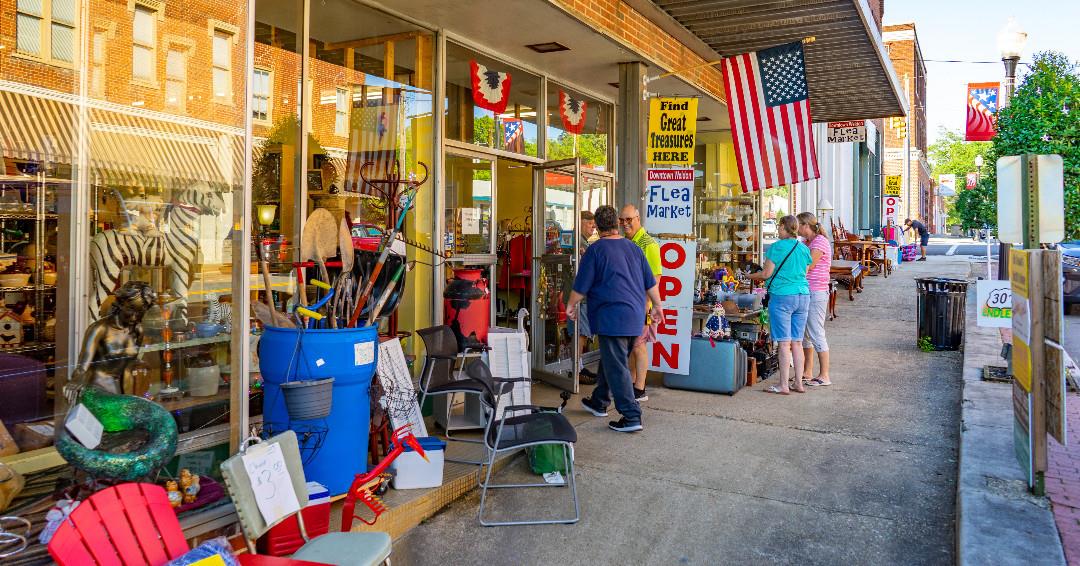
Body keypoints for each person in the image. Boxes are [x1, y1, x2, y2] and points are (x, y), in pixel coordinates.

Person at [568, 205, 664, 433]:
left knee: (618, 366)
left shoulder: (596, 250)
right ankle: (599, 401)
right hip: (634, 316)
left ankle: (631, 416)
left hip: (612, 318)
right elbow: (651, 282)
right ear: (617, 224)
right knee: (612, 360)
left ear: (598, 227)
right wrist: (658, 306)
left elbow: (581, 285)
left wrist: (571, 304)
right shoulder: (633, 249)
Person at [749, 215, 812, 395]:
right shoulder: (803, 248)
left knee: (784, 344)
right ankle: (798, 383)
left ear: (785, 227)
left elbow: (766, 274)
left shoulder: (776, 247)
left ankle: (783, 385)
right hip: (803, 295)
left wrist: (750, 277)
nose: (778, 229)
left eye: (779, 226)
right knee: (797, 342)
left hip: (783, 296)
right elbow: (805, 271)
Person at [620, 204, 661, 401]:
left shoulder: (648, 244)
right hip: (628, 304)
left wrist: (647, 304)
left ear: (638, 218)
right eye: (622, 220)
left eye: (629, 219)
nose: (625, 223)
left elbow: (655, 278)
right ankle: (633, 383)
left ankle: (640, 389)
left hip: (640, 305)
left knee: (638, 345)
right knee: (632, 345)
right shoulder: (627, 242)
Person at [797, 212, 832, 387]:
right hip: (805, 291)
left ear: (806, 225)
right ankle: (807, 371)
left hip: (817, 292)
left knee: (816, 332)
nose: (796, 228)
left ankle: (825, 374)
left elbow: (808, 266)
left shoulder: (820, 242)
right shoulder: (805, 243)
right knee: (805, 334)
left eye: (798, 225)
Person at [574, 211, 598, 385]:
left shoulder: (583, 244)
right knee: (581, 333)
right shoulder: (579, 244)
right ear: (582, 223)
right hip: (580, 297)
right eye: (590, 224)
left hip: (581, 296)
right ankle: (577, 369)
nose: (593, 227)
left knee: (581, 333)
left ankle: (579, 366)